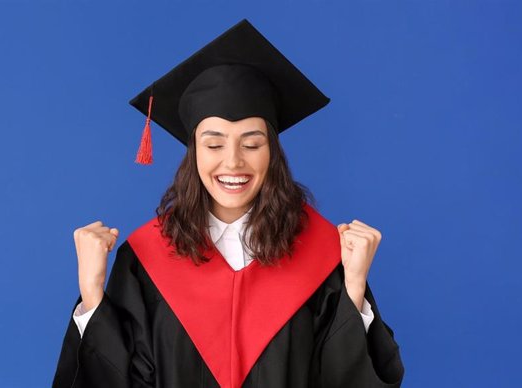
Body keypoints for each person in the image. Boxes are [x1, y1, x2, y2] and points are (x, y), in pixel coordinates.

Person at [52, 19, 404, 388]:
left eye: (251, 144)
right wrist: (92, 293)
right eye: (214, 144)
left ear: (272, 153)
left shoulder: (323, 254)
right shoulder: (145, 259)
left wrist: (354, 289)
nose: (233, 162)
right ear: (193, 153)